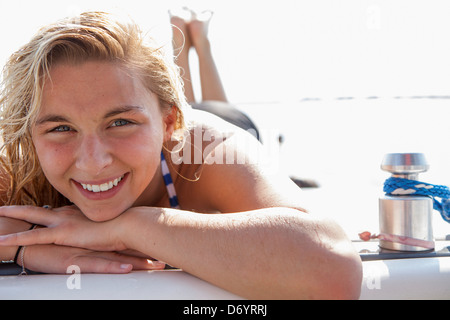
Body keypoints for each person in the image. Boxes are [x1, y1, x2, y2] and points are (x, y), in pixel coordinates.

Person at [0, 11, 361, 299]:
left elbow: (332, 272)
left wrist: (131, 227)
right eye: (61, 128)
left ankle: (198, 41)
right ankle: (186, 40)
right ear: (29, 134)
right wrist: (21, 250)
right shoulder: (18, 162)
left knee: (220, 108)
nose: (93, 161)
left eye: (121, 122)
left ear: (169, 122)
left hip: (214, 128)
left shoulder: (209, 148)